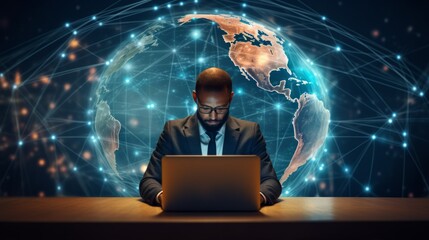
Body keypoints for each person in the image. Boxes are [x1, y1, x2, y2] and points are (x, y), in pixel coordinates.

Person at [139, 67, 282, 206]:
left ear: (230, 98)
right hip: (184, 219)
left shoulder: (250, 132)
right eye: (205, 108)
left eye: (221, 108)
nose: (213, 116)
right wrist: (164, 198)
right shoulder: (173, 131)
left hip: (236, 219)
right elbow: (149, 181)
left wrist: (256, 198)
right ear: (195, 97)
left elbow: (271, 181)